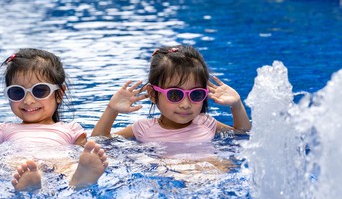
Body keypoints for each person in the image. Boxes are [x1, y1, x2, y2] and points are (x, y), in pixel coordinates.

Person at [91, 45, 250, 170]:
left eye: (195, 95)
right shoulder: (143, 129)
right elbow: (98, 142)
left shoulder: (206, 123)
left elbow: (243, 134)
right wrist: (112, 110)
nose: (186, 104)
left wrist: (236, 105)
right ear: (153, 95)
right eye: (175, 95)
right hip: (170, 176)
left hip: (210, 172)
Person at [0, 48, 108, 191]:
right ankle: (30, 183)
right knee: (10, 164)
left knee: (70, 165)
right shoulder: (2, 130)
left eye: (40, 90)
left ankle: (79, 179)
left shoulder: (71, 130)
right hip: (19, 165)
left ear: (59, 94)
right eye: (17, 92)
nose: (28, 100)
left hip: (58, 164)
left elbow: (81, 154)